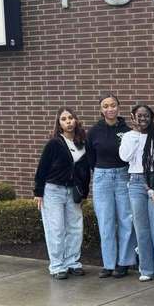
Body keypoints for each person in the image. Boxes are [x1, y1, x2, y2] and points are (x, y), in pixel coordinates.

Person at [33, 107, 91, 279]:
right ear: (59, 124)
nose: (68, 121)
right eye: (64, 119)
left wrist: (84, 193)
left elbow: (85, 172)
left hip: (73, 192)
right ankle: (57, 266)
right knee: (56, 229)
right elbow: (42, 168)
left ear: (76, 120)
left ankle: (72, 262)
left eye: (71, 118)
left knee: (75, 228)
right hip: (53, 191)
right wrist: (38, 191)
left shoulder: (82, 143)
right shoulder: (54, 143)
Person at [87, 92, 138, 278]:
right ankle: (108, 264)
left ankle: (124, 262)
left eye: (113, 105)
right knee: (105, 221)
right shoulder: (94, 131)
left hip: (123, 176)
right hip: (102, 177)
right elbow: (90, 157)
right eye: (105, 106)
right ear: (101, 110)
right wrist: (101, 172)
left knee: (126, 219)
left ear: (119, 107)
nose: (110, 109)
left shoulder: (127, 130)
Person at [120, 103, 154, 281]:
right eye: (139, 116)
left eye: (146, 116)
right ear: (133, 117)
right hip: (136, 182)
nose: (143, 119)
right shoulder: (128, 136)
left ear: (151, 117)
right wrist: (136, 134)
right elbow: (125, 157)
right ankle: (146, 269)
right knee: (141, 229)